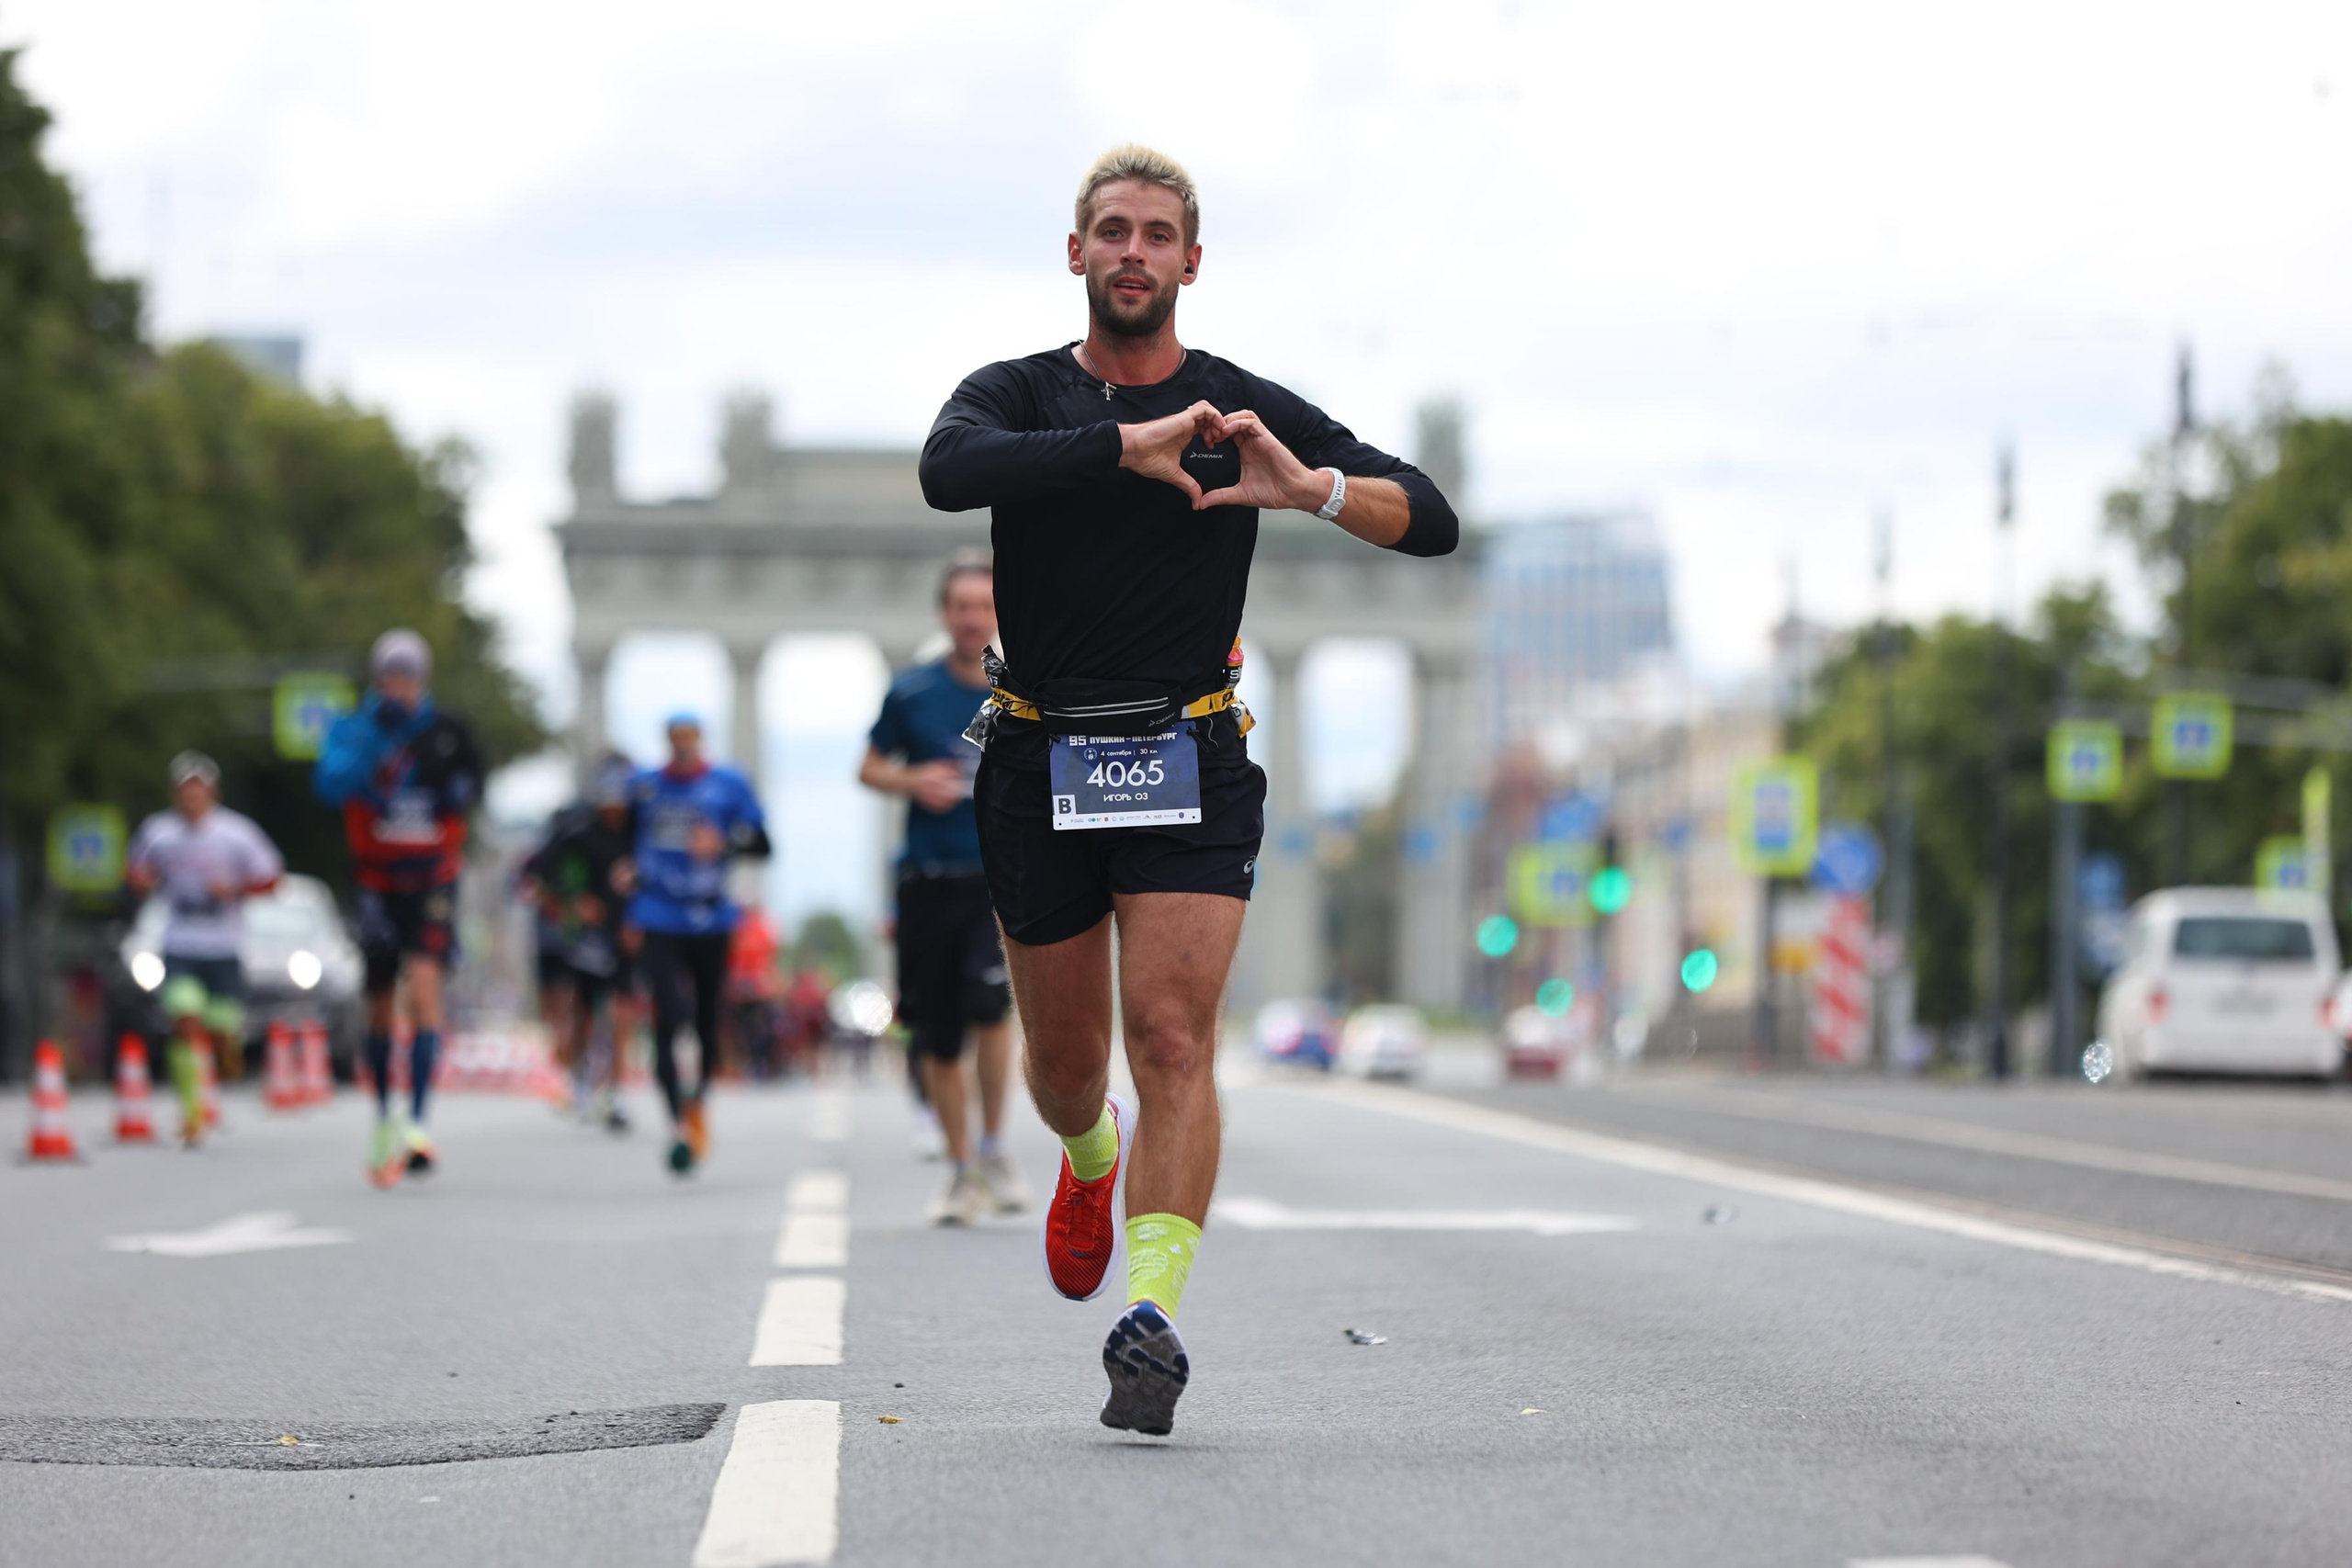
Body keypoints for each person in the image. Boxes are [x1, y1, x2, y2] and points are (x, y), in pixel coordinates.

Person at [919, 146, 1457, 1434]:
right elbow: (948, 470)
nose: (1134, 252)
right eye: (1113, 230)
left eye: (1158, 234)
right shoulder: (1016, 392)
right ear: (1077, 253)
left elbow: (1432, 516)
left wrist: (1310, 489)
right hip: (1041, 756)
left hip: (1188, 752)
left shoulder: (1237, 406)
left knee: (1171, 1038)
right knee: (1067, 1066)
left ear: (1191, 262)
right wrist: (1121, 446)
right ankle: (1087, 1152)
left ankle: (1150, 1318)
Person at [860, 551, 1030, 1226]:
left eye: (984, 607)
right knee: (936, 1032)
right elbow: (869, 767)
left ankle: (994, 1149)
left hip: (995, 880)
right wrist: (914, 780)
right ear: (943, 614)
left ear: (1000, 613)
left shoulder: (1022, 688)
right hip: (926, 879)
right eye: (961, 607)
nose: (971, 618)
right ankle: (961, 1171)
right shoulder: (911, 693)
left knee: (990, 1013)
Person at [315, 629, 485, 1188]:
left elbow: (475, 778)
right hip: (376, 881)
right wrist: (375, 748)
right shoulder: (354, 728)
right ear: (377, 679)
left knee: (426, 988)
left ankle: (417, 1122)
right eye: (391, 675)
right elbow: (329, 786)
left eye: (409, 676)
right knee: (381, 1002)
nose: (400, 685)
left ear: (423, 679)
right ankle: (385, 1113)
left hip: (432, 876)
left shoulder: (446, 730)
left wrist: (458, 791)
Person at [626, 714, 769, 1175]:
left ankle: (699, 1101)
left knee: (707, 1020)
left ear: (701, 740)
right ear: (666, 742)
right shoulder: (644, 787)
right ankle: (677, 1124)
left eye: (690, 737)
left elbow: (763, 845)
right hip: (658, 914)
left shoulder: (729, 785)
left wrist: (724, 843)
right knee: (667, 1015)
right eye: (675, 738)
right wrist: (622, 875)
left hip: (711, 918)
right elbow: (618, 837)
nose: (683, 746)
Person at [126, 751, 283, 1137]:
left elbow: (271, 879)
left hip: (224, 944)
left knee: (222, 1029)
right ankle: (191, 1111)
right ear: (175, 793)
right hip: (180, 942)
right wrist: (145, 881)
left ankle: (228, 1051)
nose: (191, 797)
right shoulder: (158, 832)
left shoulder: (237, 833)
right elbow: (136, 873)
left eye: (198, 790)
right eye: (185, 790)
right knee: (184, 1019)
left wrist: (234, 889)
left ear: (212, 792)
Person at [522, 755, 639, 1132]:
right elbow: (539, 878)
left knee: (622, 1012)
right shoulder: (578, 832)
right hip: (588, 937)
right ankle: (581, 1081)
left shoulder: (641, 831)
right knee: (584, 1013)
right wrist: (573, 904)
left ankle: (616, 1090)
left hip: (628, 934)